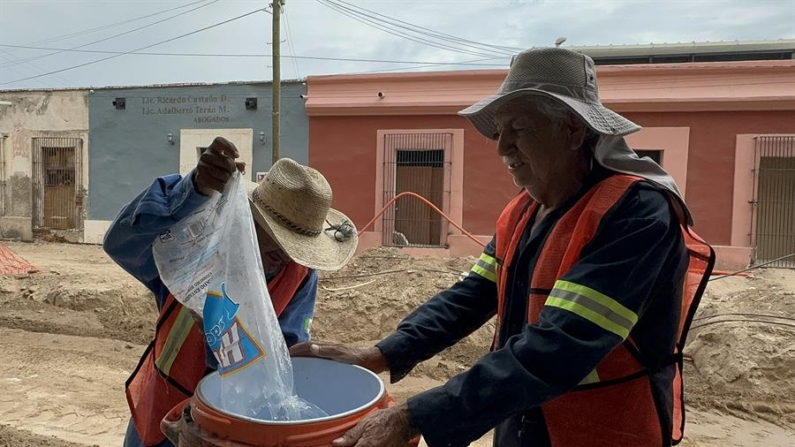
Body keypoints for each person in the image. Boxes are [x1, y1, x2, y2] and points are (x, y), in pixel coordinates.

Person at [291, 46, 715, 447]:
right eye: (499, 130)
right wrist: (381, 353)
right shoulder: (526, 211)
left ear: (572, 130)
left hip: (603, 429)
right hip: (524, 423)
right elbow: (471, 296)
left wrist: (416, 415)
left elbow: (561, 347)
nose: (501, 147)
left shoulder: (637, 213)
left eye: (519, 129)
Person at [103, 137, 358, 447]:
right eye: (278, 241)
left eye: (296, 248)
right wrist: (191, 191)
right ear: (248, 220)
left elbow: (286, 353)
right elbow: (122, 243)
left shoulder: (299, 275)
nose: (286, 256)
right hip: (165, 411)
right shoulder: (194, 253)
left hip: (235, 426)